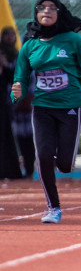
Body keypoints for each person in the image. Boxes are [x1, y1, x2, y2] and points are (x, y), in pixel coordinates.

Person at [10, 0, 81, 222]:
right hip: (42, 108)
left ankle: (57, 163)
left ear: (59, 13)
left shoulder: (73, 40)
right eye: (42, 8)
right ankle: (54, 208)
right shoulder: (29, 45)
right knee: (42, 156)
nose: (47, 11)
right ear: (36, 13)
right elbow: (20, 77)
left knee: (64, 164)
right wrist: (17, 92)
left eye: (52, 8)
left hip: (70, 107)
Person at [0, 26, 22, 179]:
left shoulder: (15, 54)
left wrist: (4, 65)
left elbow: (12, 77)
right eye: (6, 34)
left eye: (12, 34)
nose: (9, 37)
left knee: (5, 134)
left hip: (4, 101)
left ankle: (7, 170)